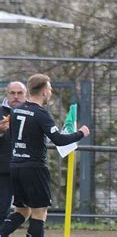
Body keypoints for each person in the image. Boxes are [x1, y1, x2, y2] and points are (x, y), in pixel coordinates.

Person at [0, 74, 90, 237]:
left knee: (22, 210)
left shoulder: (16, 111)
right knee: (39, 213)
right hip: (34, 168)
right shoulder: (41, 114)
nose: (51, 91)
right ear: (43, 92)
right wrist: (81, 133)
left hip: (16, 166)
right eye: (49, 88)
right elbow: (59, 140)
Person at [0, 82, 27, 224]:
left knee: (32, 208)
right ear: (7, 94)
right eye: (12, 93)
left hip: (26, 167)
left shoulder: (32, 111)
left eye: (20, 93)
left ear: (26, 94)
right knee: (2, 207)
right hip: (3, 168)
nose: (16, 96)